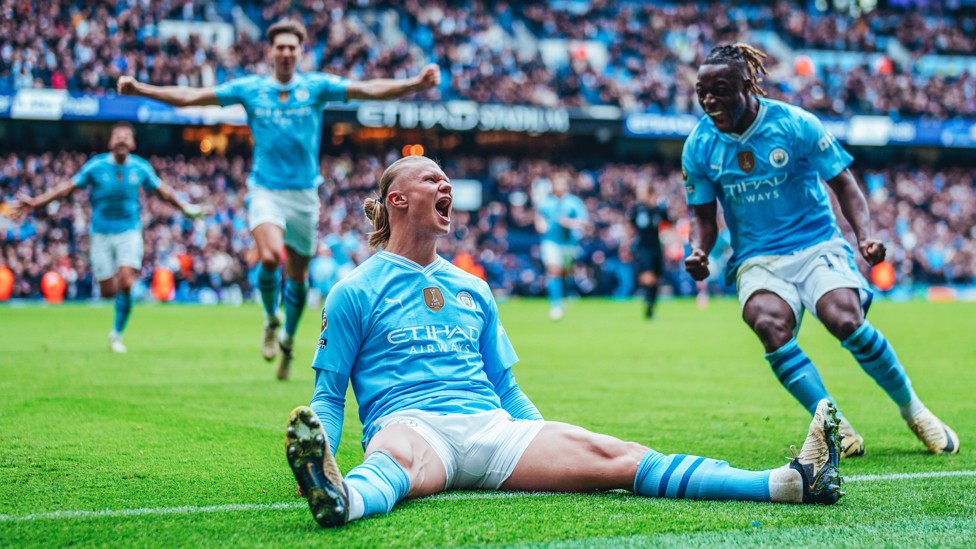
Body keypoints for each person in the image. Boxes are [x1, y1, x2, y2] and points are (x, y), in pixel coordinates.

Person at [283, 155, 843, 529]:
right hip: (412, 427)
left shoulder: (473, 289)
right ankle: (340, 496)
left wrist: (542, 436)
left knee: (616, 456)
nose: (445, 185)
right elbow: (329, 397)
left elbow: (504, 385)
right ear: (397, 200)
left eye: (446, 178)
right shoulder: (354, 290)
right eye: (430, 179)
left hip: (492, 428)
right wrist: (327, 449)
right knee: (394, 458)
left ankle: (786, 483)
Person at [117, 19, 441, 380]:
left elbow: (367, 89)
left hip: (304, 194)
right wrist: (141, 89)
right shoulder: (251, 89)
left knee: (299, 277)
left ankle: (288, 336)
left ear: (299, 53)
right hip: (265, 189)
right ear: (270, 52)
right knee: (271, 257)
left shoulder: (315, 86)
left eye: (292, 47)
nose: (286, 53)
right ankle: (272, 317)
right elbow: (193, 97)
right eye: (280, 47)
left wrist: (415, 83)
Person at [681, 43, 959, 457]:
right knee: (768, 325)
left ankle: (915, 411)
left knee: (843, 318)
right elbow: (703, 215)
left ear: (747, 86)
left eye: (720, 90)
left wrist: (863, 235)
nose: (709, 101)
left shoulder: (794, 124)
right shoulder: (699, 147)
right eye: (702, 93)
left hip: (815, 245)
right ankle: (835, 425)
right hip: (758, 259)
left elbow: (844, 182)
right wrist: (699, 250)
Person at [7, 122, 202, 352]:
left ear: (132, 144)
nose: (121, 140)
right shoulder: (96, 167)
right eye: (117, 136)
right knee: (108, 291)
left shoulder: (140, 168)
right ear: (110, 143)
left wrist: (186, 208)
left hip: (128, 231)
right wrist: (36, 202)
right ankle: (120, 301)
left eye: (125, 137)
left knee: (127, 281)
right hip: (100, 233)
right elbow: (67, 189)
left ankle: (116, 334)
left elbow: (163, 192)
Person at [534, 173, 588, 320]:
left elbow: (584, 221)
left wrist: (570, 223)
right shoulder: (547, 203)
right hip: (550, 241)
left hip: (569, 243)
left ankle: (565, 296)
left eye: (561, 184)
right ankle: (555, 305)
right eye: (556, 184)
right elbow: (539, 217)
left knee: (565, 272)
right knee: (554, 271)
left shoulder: (574, 202)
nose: (558, 187)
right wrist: (540, 224)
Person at [628, 182, 669, 318]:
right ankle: (648, 301)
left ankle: (651, 304)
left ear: (650, 193)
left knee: (656, 278)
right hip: (642, 247)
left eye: (642, 192)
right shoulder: (636, 210)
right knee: (648, 277)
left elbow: (668, 226)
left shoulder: (659, 210)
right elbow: (630, 228)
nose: (640, 195)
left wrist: (671, 241)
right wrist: (627, 244)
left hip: (656, 247)